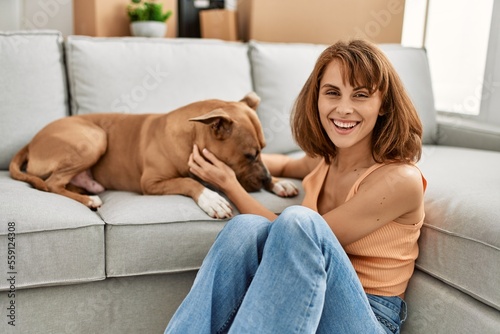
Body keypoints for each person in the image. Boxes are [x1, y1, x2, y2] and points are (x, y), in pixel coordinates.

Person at [164, 39, 426, 334]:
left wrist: (229, 184)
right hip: (307, 302)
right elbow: (283, 165)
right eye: (332, 93)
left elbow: (294, 236)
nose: (344, 108)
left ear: (383, 105)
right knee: (244, 229)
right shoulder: (326, 158)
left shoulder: (400, 181)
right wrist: (228, 161)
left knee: (298, 221)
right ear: (316, 98)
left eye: (361, 95)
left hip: (367, 318)